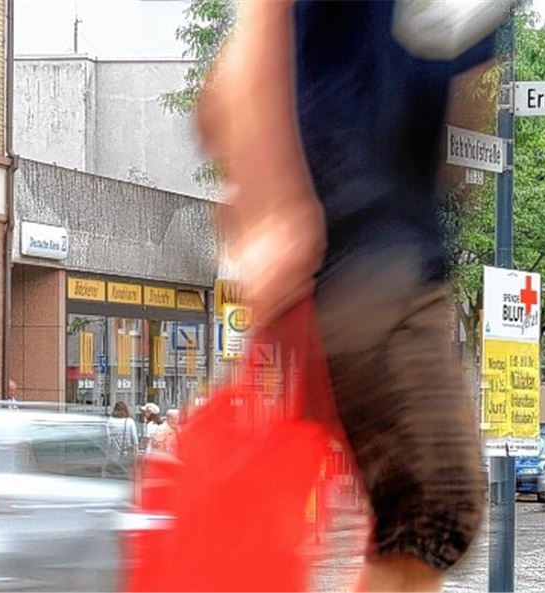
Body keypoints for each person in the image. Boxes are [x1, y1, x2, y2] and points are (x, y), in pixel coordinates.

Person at [195, 2, 508, 590]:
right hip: (352, 251)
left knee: (427, 511)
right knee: (432, 508)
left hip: (393, 255)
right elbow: (250, 45)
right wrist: (273, 205)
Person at [105, 401, 138, 474]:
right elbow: (135, 440)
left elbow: (108, 439)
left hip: (113, 455)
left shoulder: (109, 421)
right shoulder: (130, 422)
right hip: (126, 456)